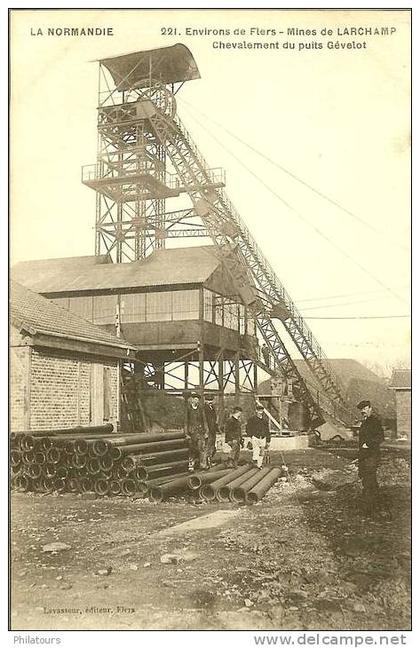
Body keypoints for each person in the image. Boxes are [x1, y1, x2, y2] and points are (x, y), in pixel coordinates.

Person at [357, 399, 385, 517]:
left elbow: (380, 437)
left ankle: (373, 508)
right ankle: (372, 507)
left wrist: (368, 444)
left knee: (369, 481)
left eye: (364, 408)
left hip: (371, 456)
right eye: (361, 409)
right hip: (365, 457)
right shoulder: (366, 421)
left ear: (369, 408)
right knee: (368, 481)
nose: (362, 411)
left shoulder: (374, 421)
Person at [184, 392, 209, 471]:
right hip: (191, 433)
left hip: (200, 432)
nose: (196, 401)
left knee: (202, 448)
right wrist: (186, 434)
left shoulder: (201, 409)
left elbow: (204, 420)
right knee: (192, 449)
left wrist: (206, 432)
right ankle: (191, 466)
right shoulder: (188, 409)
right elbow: (185, 422)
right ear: (191, 400)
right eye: (195, 399)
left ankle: (203, 465)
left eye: (197, 399)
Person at [246, 403, 271, 469]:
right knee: (256, 450)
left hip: (263, 437)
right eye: (259, 410)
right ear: (256, 411)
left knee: (262, 451)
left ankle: (259, 464)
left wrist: (268, 440)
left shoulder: (265, 421)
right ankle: (255, 462)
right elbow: (248, 428)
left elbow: (267, 431)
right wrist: (249, 437)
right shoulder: (252, 419)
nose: (260, 412)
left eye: (261, 411)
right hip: (255, 437)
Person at [204, 394, 220, 467]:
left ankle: (210, 461)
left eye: (211, 400)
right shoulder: (204, 409)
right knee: (207, 446)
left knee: (212, 446)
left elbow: (214, 420)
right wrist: (206, 431)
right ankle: (206, 463)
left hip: (213, 430)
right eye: (208, 400)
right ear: (205, 401)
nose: (210, 402)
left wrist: (217, 429)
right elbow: (204, 421)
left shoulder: (213, 408)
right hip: (208, 430)